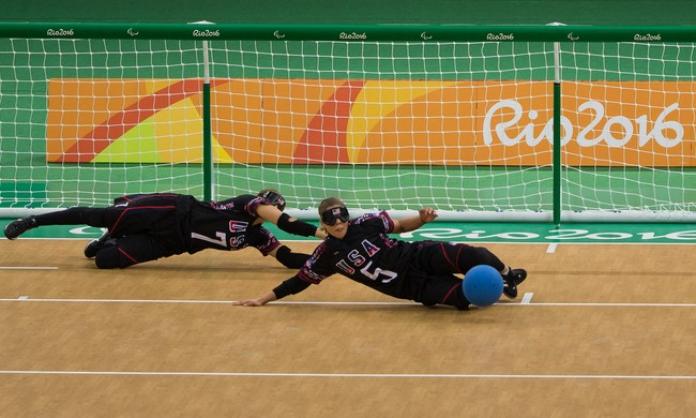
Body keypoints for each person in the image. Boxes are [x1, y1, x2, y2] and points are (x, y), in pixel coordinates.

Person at [235, 197, 527, 310]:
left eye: (341, 218)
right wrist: (263, 298)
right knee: (465, 299)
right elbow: (299, 281)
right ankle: (491, 286)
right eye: (331, 220)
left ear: (348, 217)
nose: (338, 224)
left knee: (475, 254)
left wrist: (421, 219)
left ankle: (506, 276)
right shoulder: (326, 255)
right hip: (409, 286)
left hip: (417, 256)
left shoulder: (367, 224)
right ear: (323, 223)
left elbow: (400, 226)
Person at [3, 190, 326, 270]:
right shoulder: (247, 203)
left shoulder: (258, 235)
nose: (274, 213)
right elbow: (287, 223)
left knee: (103, 262)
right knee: (97, 214)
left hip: (174, 242)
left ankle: (110, 239)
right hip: (172, 212)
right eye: (273, 208)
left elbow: (285, 257)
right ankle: (34, 221)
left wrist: (325, 263)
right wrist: (316, 233)